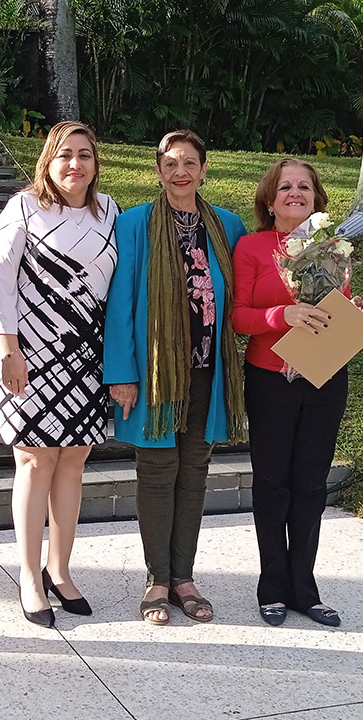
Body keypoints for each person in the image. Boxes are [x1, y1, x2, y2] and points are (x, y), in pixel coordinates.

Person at [103, 129, 247, 625]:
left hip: (209, 370)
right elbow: (120, 301)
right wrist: (122, 373)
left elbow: (245, 295)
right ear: (159, 171)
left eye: (189, 163)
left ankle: (184, 577)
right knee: (157, 471)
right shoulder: (135, 223)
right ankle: (157, 579)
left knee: (195, 472)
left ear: (204, 170)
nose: (180, 171)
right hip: (156, 373)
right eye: (170, 163)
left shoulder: (228, 225)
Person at [0, 121, 118, 627]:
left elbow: (118, 288)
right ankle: (30, 578)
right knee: (34, 463)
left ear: (96, 164)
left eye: (84, 154)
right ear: (47, 161)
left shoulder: (111, 213)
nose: (75, 164)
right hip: (29, 355)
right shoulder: (23, 207)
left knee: (74, 462)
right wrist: (7, 348)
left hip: (88, 358)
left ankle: (60, 569)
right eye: (65, 155)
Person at [231, 157, 363, 628]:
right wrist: (282, 317)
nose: (296, 193)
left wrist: (356, 309)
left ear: (316, 199)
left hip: (325, 374)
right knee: (273, 484)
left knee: (311, 485)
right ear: (270, 201)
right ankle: (271, 585)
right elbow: (239, 317)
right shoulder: (252, 248)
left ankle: (304, 588)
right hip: (271, 377)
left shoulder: (332, 249)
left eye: (305, 187)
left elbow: (335, 307)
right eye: (286, 187)